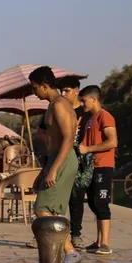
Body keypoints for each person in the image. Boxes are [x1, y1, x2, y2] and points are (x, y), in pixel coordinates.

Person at [28, 66, 81, 263]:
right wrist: (44, 170)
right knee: (51, 212)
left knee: (42, 210)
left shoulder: (60, 105)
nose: (34, 93)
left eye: (35, 88)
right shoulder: (52, 105)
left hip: (64, 159)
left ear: (44, 85)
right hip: (55, 159)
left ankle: (70, 252)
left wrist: (53, 169)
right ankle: (55, 258)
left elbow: (68, 139)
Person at [78, 85, 118, 254]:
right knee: (94, 203)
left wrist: (88, 149)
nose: (82, 104)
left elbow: (112, 142)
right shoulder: (89, 119)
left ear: (94, 99)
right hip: (91, 167)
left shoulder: (105, 116)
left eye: (84, 100)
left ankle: (106, 243)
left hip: (103, 166)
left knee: (101, 203)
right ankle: (99, 241)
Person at [59, 76, 93, 250]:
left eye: (67, 90)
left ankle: (76, 234)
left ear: (77, 91)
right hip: (60, 159)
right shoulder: (57, 109)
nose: (63, 94)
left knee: (76, 198)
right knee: (57, 198)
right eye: (61, 91)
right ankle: (53, 232)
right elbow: (43, 132)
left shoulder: (86, 113)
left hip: (80, 161)